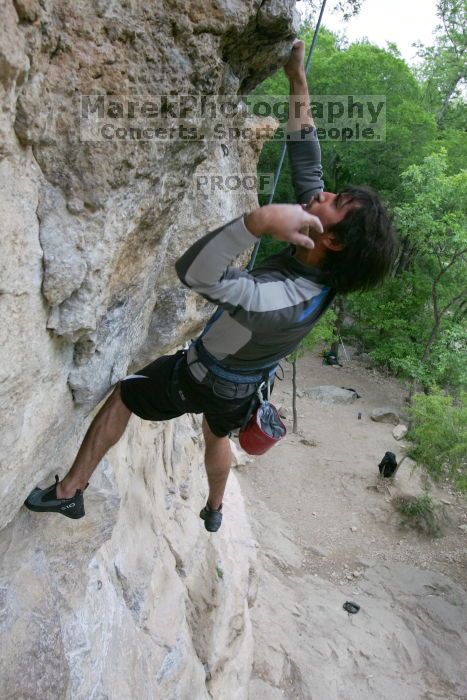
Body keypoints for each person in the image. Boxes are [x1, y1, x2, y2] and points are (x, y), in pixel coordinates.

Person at [24, 40, 398, 532]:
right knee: (216, 432)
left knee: (124, 396)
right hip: (243, 384)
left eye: (334, 201)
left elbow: (195, 273)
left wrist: (256, 222)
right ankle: (215, 508)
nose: (323, 194)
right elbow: (308, 160)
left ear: (334, 241)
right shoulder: (323, 253)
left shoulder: (280, 303)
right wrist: (297, 80)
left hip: (209, 371)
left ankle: (70, 492)